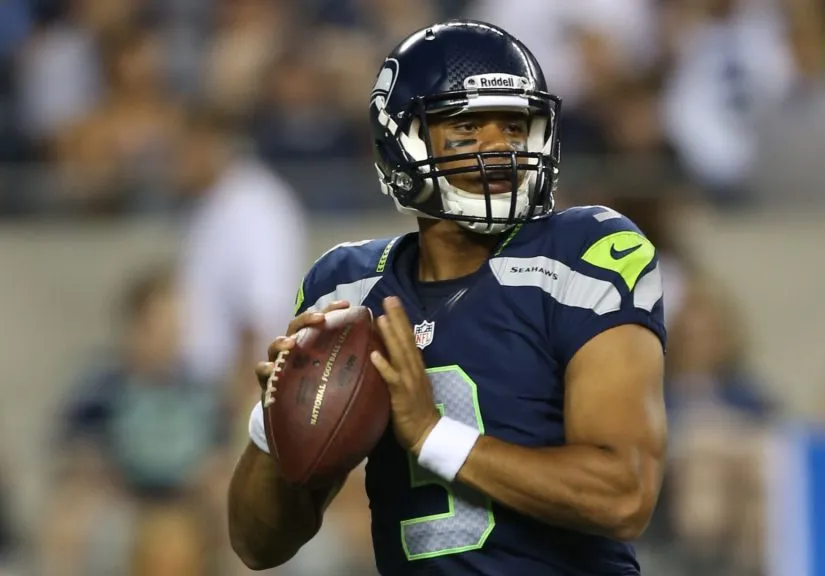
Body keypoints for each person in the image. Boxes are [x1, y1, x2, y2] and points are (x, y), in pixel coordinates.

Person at [228, 19, 667, 576]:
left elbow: (624, 494)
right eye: (466, 127)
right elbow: (256, 545)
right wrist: (275, 422)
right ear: (401, 141)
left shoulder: (583, 252)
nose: (498, 147)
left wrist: (434, 435)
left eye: (514, 126)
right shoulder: (348, 287)